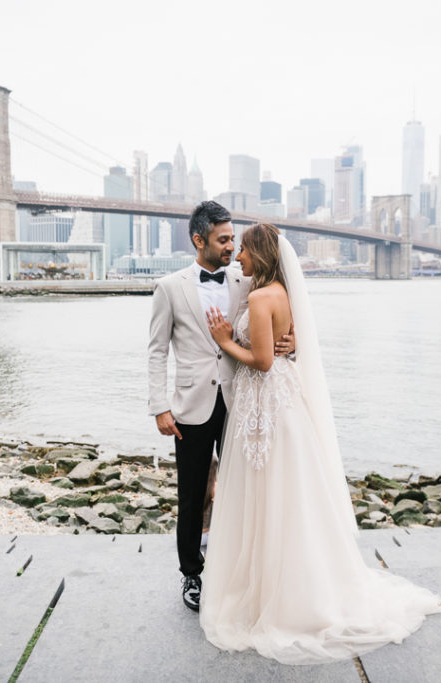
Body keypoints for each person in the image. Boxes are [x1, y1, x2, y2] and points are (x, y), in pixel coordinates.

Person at [199, 223, 441, 665]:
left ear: (261, 252)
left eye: (245, 252)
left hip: (265, 404)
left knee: (265, 493)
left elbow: (263, 360)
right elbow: (286, 347)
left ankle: (270, 597)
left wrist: (223, 341)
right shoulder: (284, 293)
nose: (238, 258)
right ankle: (302, 586)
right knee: (292, 496)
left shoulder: (258, 296)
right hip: (284, 406)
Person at [148, 201, 292, 613]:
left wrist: (292, 342)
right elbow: (157, 352)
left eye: (234, 239)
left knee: (245, 491)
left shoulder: (246, 281)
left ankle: (239, 571)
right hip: (190, 407)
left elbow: (283, 318)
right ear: (199, 240)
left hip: (241, 402)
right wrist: (160, 406)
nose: (232, 246)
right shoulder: (169, 288)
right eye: (223, 239)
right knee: (192, 496)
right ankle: (191, 573)